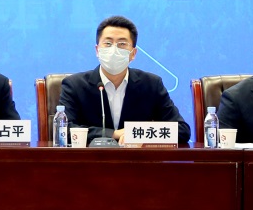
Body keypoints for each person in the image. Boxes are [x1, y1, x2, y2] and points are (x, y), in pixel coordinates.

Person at [57, 15, 190, 146]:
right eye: (108, 43)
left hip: (136, 159)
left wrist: (136, 135)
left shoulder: (151, 85)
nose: (114, 50)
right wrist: (114, 134)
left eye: (122, 44)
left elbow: (182, 130)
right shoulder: (75, 85)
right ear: (97, 50)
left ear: (133, 53)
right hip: (92, 159)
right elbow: (64, 130)